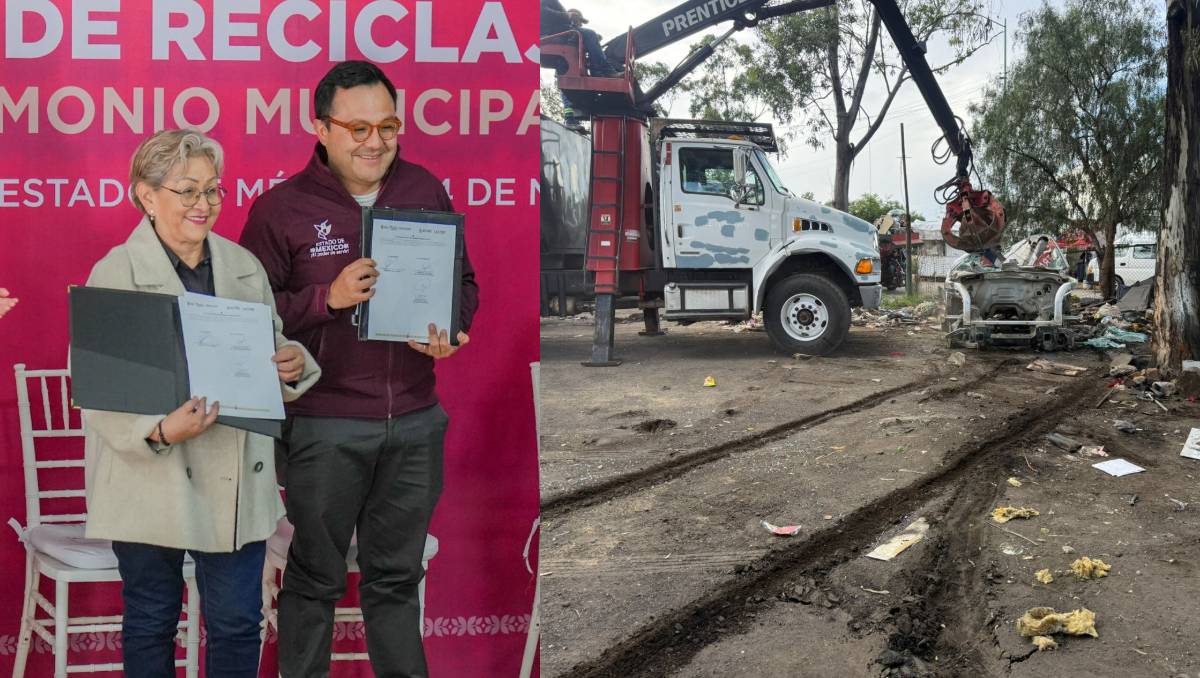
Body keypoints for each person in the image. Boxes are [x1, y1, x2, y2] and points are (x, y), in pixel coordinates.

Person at [239, 60, 480, 677]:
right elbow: (247, 318)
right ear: (321, 128)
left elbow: (463, 283)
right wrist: (328, 298)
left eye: (388, 126)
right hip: (325, 425)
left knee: (397, 579)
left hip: (416, 420)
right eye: (358, 128)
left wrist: (451, 331)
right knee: (315, 578)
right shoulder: (280, 209)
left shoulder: (425, 189)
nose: (376, 141)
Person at [79, 129, 321, 678]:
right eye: (187, 190)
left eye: (212, 189)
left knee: (238, 622)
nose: (204, 204)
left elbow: (272, 345)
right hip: (150, 476)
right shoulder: (116, 272)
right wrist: (160, 431)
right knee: (151, 619)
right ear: (146, 195)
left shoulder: (243, 265)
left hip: (235, 476)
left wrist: (290, 363)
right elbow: (99, 388)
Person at [540, 0, 620, 77]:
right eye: (579, 21)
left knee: (589, 36)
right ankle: (605, 71)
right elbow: (541, 12)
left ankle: (597, 70)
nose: (580, 25)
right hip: (549, 35)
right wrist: (568, 16)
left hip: (554, 33)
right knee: (590, 34)